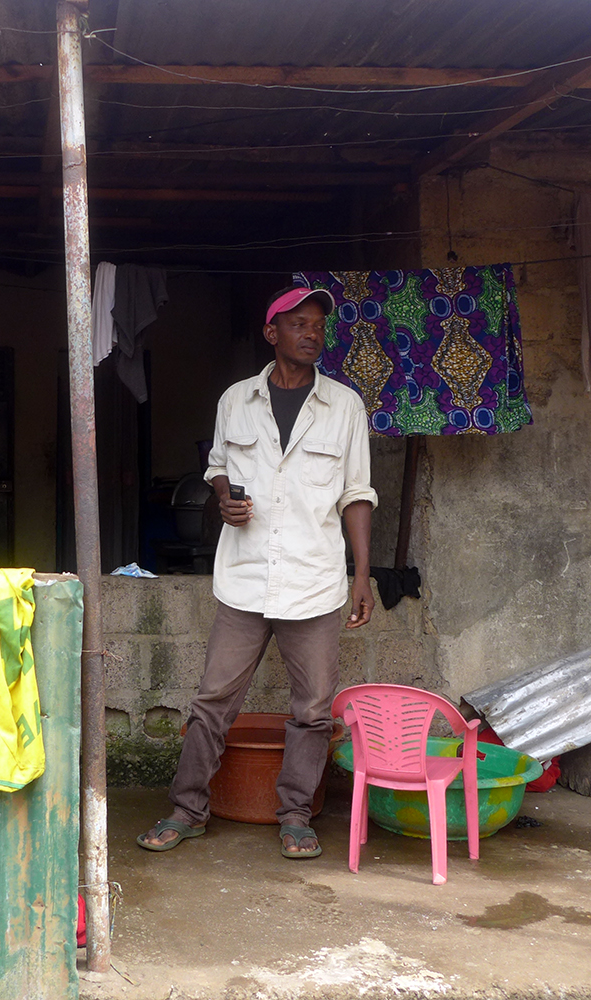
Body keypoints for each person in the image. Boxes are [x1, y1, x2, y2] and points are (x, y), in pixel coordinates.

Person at [137, 285, 378, 859]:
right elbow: (218, 464)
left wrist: (361, 574)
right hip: (244, 577)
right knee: (212, 701)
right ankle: (186, 809)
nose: (311, 334)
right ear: (272, 334)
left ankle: (295, 814)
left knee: (313, 710)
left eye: (318, 325)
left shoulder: (345, 406)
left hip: (314, 579)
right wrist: (223, 497)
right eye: (298, 324)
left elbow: (356, 494)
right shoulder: (235, 401)